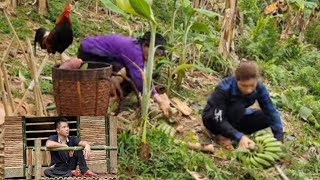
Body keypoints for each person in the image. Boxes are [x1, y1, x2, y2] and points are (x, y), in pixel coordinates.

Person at [78, 32, 171, 117]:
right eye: (153, 53)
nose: (154, 57)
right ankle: (104, 100)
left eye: (157, 55)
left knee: (127, 73)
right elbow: (140, 79)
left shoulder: (136, 47)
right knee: (131, 79)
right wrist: (159, 100)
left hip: (96, 52)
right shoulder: (135, 52)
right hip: (90, 53)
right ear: (145, 45)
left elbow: (142, 74)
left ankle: (111, 93)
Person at [202, 61, 283, 150]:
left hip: (236, 118)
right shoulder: (224, 88)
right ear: (237, 80)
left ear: (257, 80)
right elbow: (217, 118)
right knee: (238, 107)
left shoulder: (259, 87)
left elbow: (270, 111)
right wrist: (239, 136)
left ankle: (234, 133)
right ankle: (223, 135)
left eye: (252, 85)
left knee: (266, 117)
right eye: (244, 86)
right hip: (214, 119)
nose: (248, 90)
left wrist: (279, 138)